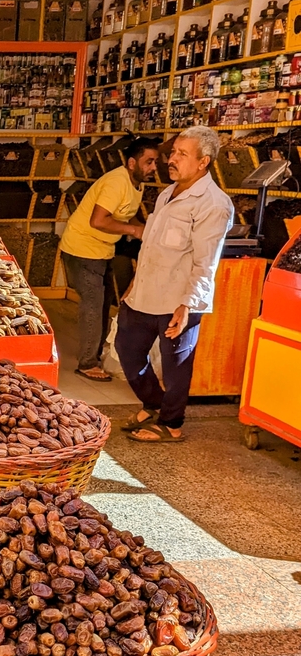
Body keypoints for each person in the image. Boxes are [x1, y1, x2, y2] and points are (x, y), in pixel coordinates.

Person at [115, 126, 233, 443]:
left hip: (179, 299)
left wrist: (188, 304)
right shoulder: (169, 192)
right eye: (174, 151)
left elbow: (206, 260)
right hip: (146, 292)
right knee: (126, 348)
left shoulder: (213, 204)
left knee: (176, 364)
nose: (172, 158)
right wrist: (133, 286)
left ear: (203, 162)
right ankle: (154, 402)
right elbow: (152, 245)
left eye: (182, 154)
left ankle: (171, 423)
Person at [61, 138, 159, 382]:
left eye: (156, 162)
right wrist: (135, 231)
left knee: (102, 304)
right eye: (149, 162)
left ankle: (92, 355)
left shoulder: (137, 184)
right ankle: (87, 363)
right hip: (82, 248)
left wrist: (148, 231)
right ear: (132, 162)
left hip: (102, 250)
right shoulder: (117, 182)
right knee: (93, 306)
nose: (154, 167)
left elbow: (130, 216)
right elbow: (98, 220)